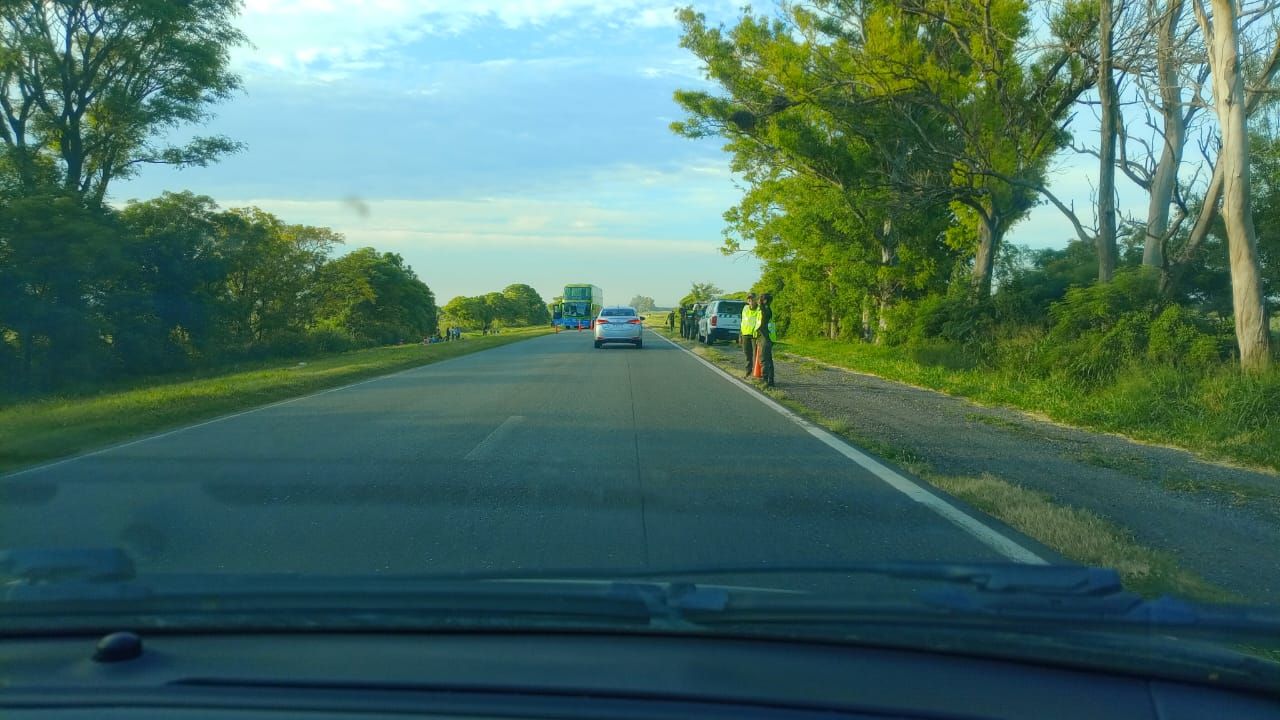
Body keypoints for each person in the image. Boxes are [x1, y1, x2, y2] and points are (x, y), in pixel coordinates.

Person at [757, 293, 776, 387]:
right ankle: (770, 380)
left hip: (766, 336)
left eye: (760, 299)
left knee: (764, 359)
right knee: (768, 359)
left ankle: (765, 379)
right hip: (768, 336)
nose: (758, 300)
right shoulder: (768, 309)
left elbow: (761, 323)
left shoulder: (765, 310)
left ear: (764, 300)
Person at [739, 293, 760, 378]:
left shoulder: (759, 309)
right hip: (745, 334)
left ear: (756, 299)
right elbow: (743, 322)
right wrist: (740, 334)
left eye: (752, 299)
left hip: (755, 336)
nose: (750, 300)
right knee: (747, 354)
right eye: (749, 299)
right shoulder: (745, 308)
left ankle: (755, 374)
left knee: (755, 355)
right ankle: (748, 372)